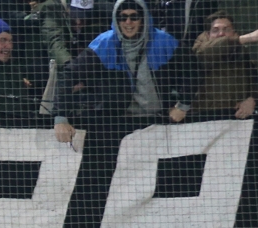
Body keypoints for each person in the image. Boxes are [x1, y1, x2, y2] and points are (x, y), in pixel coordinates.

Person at [52, 0, 197, 145]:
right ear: (116, 19)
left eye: (134, 17)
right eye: (123, 17)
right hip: (115, 125)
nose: (128, 22)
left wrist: (183, 105)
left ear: (144, 18)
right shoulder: (104, 43)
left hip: (159, 121)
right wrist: (60, 117)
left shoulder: (164, 41)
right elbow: (68, 74)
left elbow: (192, 69)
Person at [191, 11, 258, 120]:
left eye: (227, 29)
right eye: (215, 30)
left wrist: (251, 99)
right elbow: (205, 53)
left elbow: (253, 80)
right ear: (207, 34)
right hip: (206, 117)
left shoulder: (241, 52)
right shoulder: (200, 49)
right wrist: (241, 39)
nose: (221, 34)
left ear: (234, 32)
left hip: (238, 117)